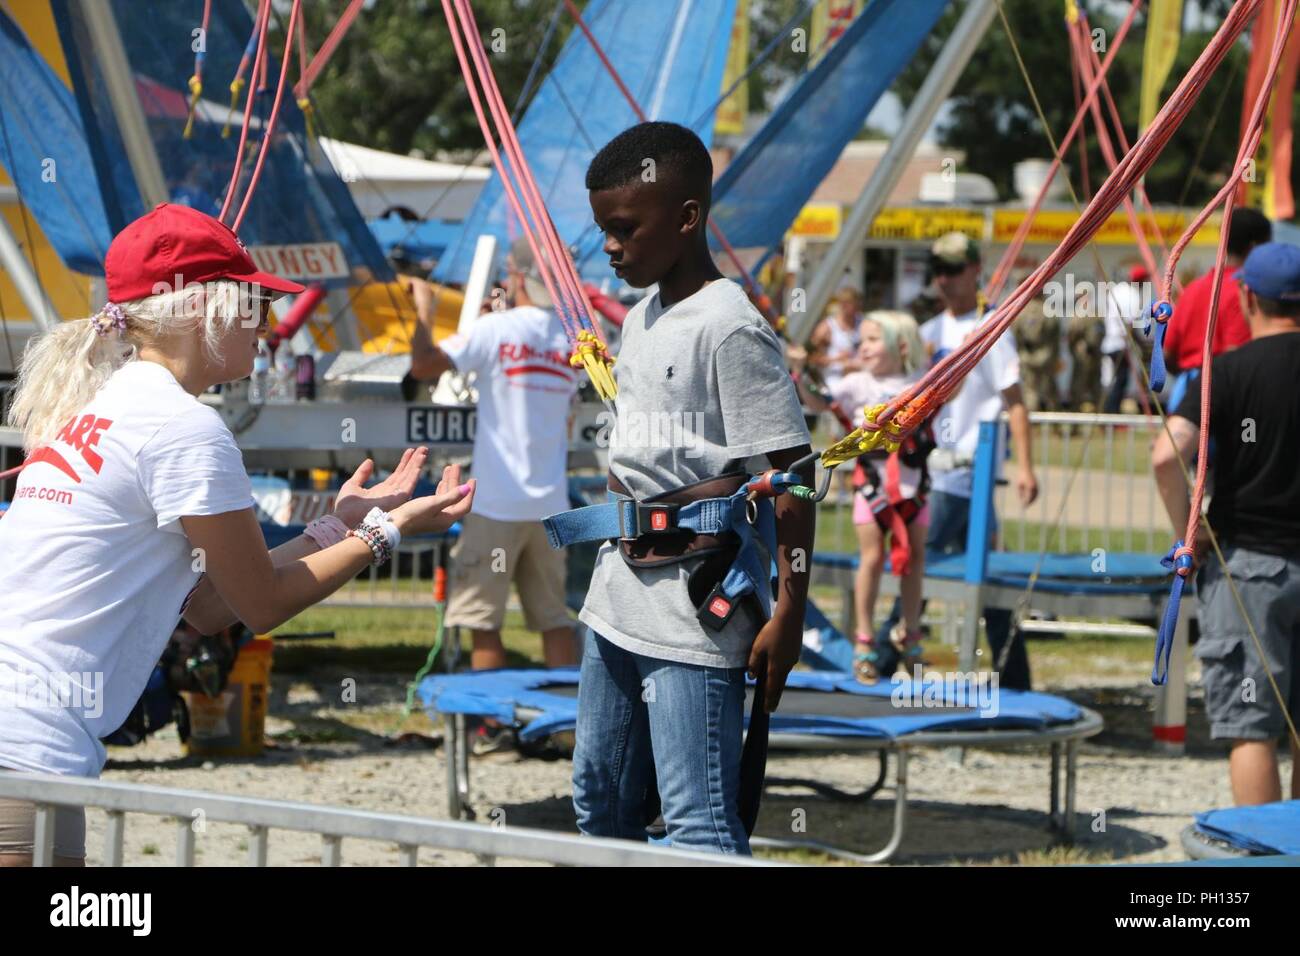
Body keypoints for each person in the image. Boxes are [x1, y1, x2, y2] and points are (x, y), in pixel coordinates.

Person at [0, 204, 474, 866]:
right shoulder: (182, 427)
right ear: (205, 310)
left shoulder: (96, 410)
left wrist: (341, 524)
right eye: (255, 303)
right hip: (26, 751)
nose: (269, 325)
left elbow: (209, 605)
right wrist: (390, 531)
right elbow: (264, 605)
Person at [573, 121, 814, 853]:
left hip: (693, 612)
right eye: (603, 231)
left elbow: (793, 481)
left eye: (623, 228)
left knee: (698, 823)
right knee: (600, 804)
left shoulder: (730, 328)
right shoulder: (644, 317)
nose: (610, 246)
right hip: (617, 598)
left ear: (686, 218)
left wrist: (792, 609)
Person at [1151, 241, 1300, 806]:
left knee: (1252, 726)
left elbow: (1168, 455)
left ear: (1245, 297)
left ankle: (1266, 860)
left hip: (1250, 572)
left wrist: (1188, 535)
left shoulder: (1227, 372)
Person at [406, 240, 579, 680]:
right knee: (555, 620)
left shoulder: (497, 330)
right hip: (552, 506)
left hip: (496, 503)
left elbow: (424, 365)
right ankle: (571, 731)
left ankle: (489, 727)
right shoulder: (572, 337)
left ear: (514, 275)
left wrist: (423, 310)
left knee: (483, 623)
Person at [872, 232, 1039, 688]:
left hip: (968, 474)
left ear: (973, 270)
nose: (943, 280)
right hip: (937, 473)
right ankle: (1014, 676)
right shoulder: (926, 335)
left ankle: (883, 657)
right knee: (977, 576)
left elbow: (1016, 402)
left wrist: (1024, 466)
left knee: (920, 566)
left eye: (952, 269)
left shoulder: (990, 332)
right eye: (938, 271)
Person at [792, 311, 930, 683]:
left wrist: (970, 350)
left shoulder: (921, 384)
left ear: (901, 347)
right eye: (862, 340)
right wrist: (803, 372)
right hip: (872, 487)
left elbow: (952, 389)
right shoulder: (856, 383)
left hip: (913, 487)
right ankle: (865, 640)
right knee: (872, 557)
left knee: (914, 559)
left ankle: (911, 632)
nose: (862, 347)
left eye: (872, 340)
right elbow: (820, 401)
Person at [1164, 208, 1271, 408]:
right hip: (1224, 397)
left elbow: (1168, 354)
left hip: (1185, 393)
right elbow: (1235, 357)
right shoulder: (1247, 292)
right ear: (1255, 247)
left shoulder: (1193, 289)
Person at [1101, 264, 1149, 414]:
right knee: (1120, 381)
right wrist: (1141, 344)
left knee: (1112, 380)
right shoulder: (1132, 295)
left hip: (1109, 341)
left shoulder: (1117, 290)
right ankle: (1112, 415)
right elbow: (1130, 325)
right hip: (1121, 344)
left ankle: (1109, 413)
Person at [808, 285, 863, 394]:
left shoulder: (863, 323)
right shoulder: (826, 327)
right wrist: (837, 360)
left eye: (851, 303)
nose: (846, 307)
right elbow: (811, 360)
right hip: (835, 382)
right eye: (844, 303)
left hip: (859, 379)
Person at [1013, 295, 1061, 413]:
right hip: (1045, 355)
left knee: (1030, 390)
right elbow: (1056, 335)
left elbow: (1015, 334)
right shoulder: (1049, 310)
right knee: (1050, 389)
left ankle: (1032, 422)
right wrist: (1054, 355)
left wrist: (1021, 351)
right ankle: (1053, 423)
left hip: (1027, 355)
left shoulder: (1022, 310)